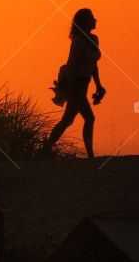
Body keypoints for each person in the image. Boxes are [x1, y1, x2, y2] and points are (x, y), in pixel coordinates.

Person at [42, 8, 104, 159]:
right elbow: (73, 64)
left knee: (67, 120)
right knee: (89, 118)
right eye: (92, 18)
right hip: (76, 84)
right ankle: (90, 155)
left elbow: (93, 64)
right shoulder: (78, 41)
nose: (95, 20)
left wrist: (98, 85)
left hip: (84, 83)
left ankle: (45, 149)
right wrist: (66, 87)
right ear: (84, 21)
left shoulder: (94, 39)